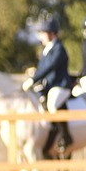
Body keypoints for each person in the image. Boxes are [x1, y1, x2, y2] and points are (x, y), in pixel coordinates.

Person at [25, 17, 75, 155]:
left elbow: (50, 67)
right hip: (49, 86)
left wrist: (34, 79)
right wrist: (34, 73)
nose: (41, 36)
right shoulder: (46, 50)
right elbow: (43, 68)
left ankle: (66, 136)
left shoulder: (59, 49)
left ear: (52, 33)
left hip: (61, 86)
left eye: (43, 32)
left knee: (52, 105)